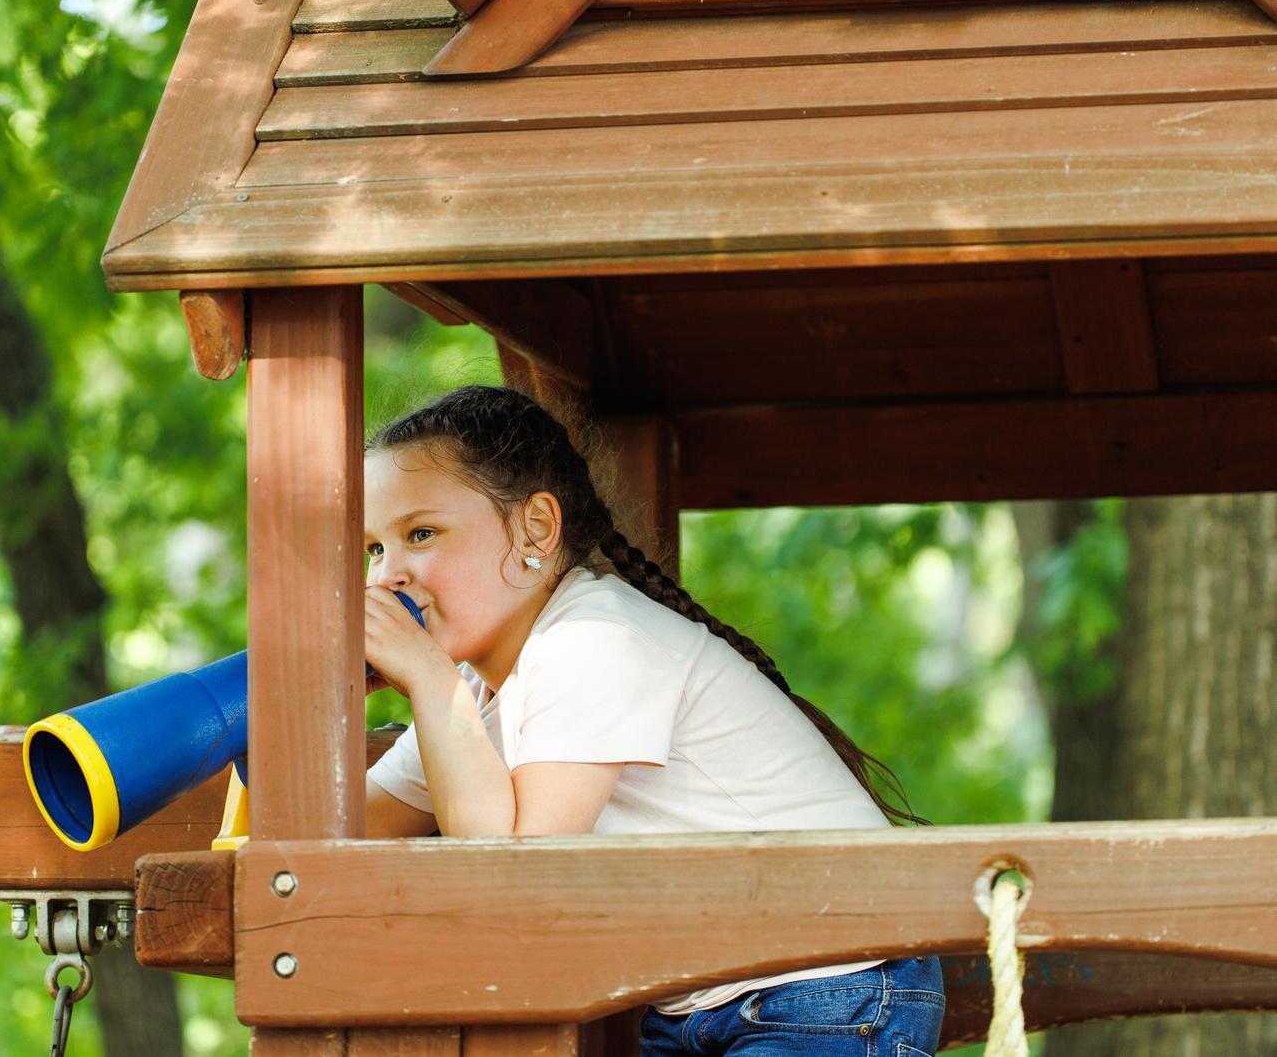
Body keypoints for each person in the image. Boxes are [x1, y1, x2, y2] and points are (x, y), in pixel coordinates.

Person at [361, 384, 946, 1057]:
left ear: (535, 531)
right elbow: (352, 821)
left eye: (421, 533)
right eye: (375, 548)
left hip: (829, 981)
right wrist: (306, 698)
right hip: (699, 1004)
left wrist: (431, 685)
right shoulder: (478, 688)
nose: (386, 576)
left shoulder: (590, 638)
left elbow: (514, 881)